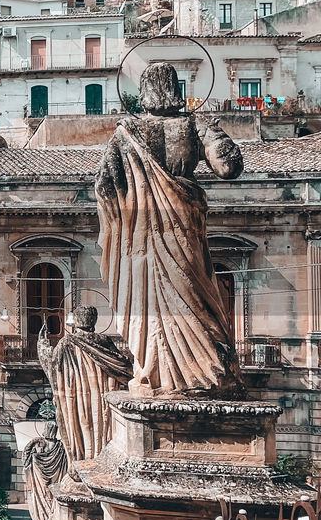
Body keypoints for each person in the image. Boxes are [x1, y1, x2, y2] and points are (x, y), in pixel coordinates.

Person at [96, 61, 243, 396]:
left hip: (141, 235)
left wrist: (129, 209)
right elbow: (228, 167)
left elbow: (105, 188)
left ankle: (156, 372)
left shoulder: (127, 134)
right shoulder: (195, 126)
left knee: (150, 298)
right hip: (184, 221)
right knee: (194, 289)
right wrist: (218, 137)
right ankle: (206, 370)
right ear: (176, 88)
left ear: (144, 91)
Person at [38, 305, 131, 461]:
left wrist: (42, 345)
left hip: (76, 399)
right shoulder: (103, 341)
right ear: (94, 320)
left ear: (75, 320)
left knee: (82, 426)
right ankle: (99, 457)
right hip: (100, 397)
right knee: (100, 428)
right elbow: (123, 367)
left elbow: (52, 368)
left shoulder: (66, 342)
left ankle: (83, 459)